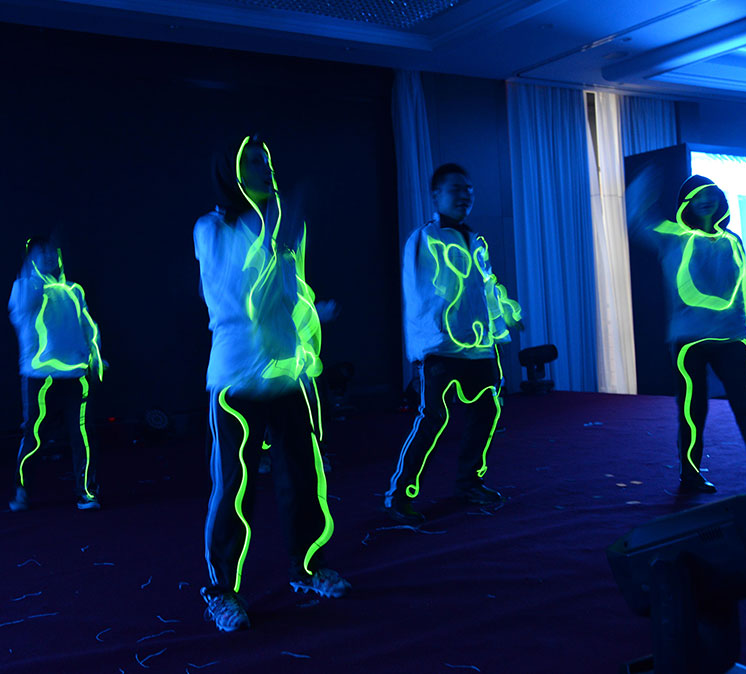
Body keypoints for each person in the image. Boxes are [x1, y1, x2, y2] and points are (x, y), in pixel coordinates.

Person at [193, 134, 349, 632]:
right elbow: (233, 296)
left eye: (267, 159)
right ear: (231, 174)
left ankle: (307, 568)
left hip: (288, 376)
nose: (267, 167)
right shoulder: (211, 229)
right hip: (236, 378)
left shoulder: (284, 227)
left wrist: (313, 312)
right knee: (233, 489)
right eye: (254, 161)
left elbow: (288, 294)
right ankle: (221, 591)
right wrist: (272, 238)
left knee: (304, 478)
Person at [627, 172, 746, 493]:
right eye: (697, 195)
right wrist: (645, 182)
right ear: (687, 202)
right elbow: (638, 220)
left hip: (731, 337)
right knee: (692, 409)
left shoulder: (732, 241)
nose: (705, 200)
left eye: (710, 193)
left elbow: (743, 289)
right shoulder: (674, 237)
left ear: (720, 199)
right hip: (690, 340)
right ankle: (690, 475)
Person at [384, 163, 522, 526]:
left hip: (478, 347)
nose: (465, 195)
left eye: (469, 189)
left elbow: (486, 287)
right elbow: (419, 294)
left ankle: (469, 482)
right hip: (441, 347)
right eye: (456, 189)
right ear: (436, 195)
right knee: (433, 419)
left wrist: (502, 322)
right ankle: (400, 494)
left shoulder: (475, 241)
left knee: (486, 411)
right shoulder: (425, 238)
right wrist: (425, 347)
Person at [7, 237, 104, 511]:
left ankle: (87, 493)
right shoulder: (24, 288)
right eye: (42, 253)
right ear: (31, 259)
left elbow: (88, 325)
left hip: (76, 376)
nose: (50, 256)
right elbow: (23, 307)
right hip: (40, 378)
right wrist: (31, 269)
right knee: (35, 437)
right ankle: (21, 490)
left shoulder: (73, 290)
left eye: (53, 251)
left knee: (83, 436)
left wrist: (95, 356)